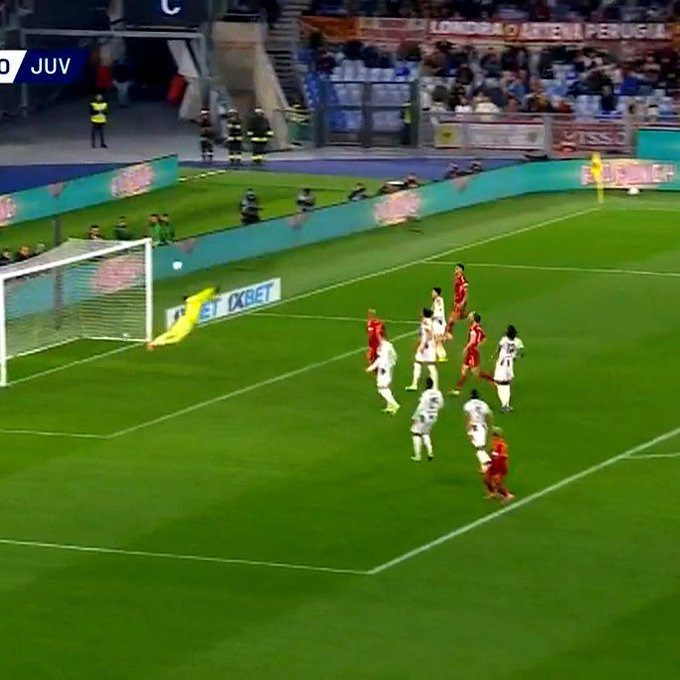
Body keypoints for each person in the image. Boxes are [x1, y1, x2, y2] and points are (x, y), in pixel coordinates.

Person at [148, 286, 219, 349]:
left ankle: (155, 343)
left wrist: (212, 295)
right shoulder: (194, 299)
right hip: (187, 322)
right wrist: (213, 290)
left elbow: (204, 297)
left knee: (172, 334)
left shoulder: (194, 301)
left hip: (186, 321)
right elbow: (204, 294)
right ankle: (155, 343)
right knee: (176, 337)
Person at [451, 312, 495, 395]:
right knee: (464, 370)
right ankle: (457, 389)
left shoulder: (473, 330)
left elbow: (472, 341)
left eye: (471, 317)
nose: (469, 318)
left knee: (476, 373)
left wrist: (466, 348)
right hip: (472, 351)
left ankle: (492, 379)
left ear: (474, 319)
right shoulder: (479, 328)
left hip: (472, 352)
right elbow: (484, 339)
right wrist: (478, 345)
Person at [410, 377, 444, 462]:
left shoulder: (425, 394)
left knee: (416, 433)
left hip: (423, 416)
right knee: (425, 433)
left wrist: (414, 416)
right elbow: (441, 405)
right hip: (433, 416)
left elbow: (421, 406)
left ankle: (418, 455)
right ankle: (430, 451)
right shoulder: (438, 393)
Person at [366, 330, 400, 414]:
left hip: (384, 369)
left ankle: (395, 404)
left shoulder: (385, 347)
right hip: (386, 368)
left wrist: (383, 368)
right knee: (387, 388)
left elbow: (384, 359)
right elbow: (383, 358)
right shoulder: (385, 345)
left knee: (382, 388)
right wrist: (371, 367)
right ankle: (390, 406)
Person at [493, 325, 524, 412]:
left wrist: (495, 354)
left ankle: (504, 405)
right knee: (507, 384)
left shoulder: (504, 340)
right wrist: (515, 356)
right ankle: (506, 404)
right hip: (510, 364)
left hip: (502, 364)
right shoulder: (518, 341)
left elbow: (498, 347)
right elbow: (520, 352)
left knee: (499, 384)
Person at [407, 308, 438, 391]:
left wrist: (423, 345)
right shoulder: (427, 321)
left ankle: (433, 386)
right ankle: (415, 384)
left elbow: (429, 334)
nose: (420, 313)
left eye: (421, 312)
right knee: (418, 363)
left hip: (427, 347)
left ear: (424, 314)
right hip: (427, 346)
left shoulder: (426, 322)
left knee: (430, 366)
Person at [463, 388, 493, 472]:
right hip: (483, 426)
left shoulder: (468, 404)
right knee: (481, 447)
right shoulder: (484, 404)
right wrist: (488, 426)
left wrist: (468, 426)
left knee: (478, 448)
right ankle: (484, 467)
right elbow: (488, 416)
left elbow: (468, 416)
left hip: (474, 427)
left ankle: (487, 461)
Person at [483, 427, 514, 502]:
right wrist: (488, 464)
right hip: (493, 465)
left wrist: (501, 470)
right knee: (486, 479)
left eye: (495, 435)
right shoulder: (493, 444)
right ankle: (493, 493)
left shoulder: (502, 445)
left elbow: (503, 458)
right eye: (493, 435)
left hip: (500, 466)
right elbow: (491, 455)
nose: (494, 437)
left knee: (498, 482)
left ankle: (508, 495)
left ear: (499, 436)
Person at [446, 263, 468, 334]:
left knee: (451, 321)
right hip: (456, 302)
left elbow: (466, 292)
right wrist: (454, 301)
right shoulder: (456, 279)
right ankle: (448, 334)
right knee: (451, 321)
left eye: (457, 269)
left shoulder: (463, 280)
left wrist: (463, 302)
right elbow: (456, 292)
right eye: (455, 269)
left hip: (460, 303)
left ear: (461, 270)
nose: (455, 270)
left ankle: (448, 335)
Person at [431, 286, 447, 362]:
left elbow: (439, 312)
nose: (432, 294)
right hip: (438, 323)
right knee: (437, 340)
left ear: (437, 293)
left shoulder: (438, 300)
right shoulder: (437, 300)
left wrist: (432, 316)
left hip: (438, 323)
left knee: (437, 340)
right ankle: (441, 355)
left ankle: (442, 356)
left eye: (433, 292)